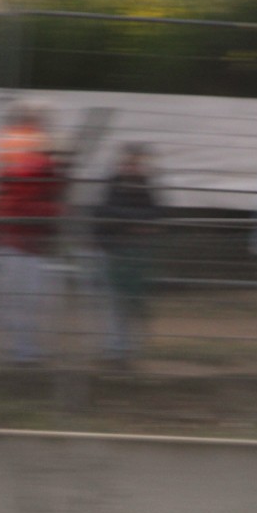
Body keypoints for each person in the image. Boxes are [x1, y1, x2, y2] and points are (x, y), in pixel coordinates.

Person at [0, 100, 64, 366]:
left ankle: (24, 350)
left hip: (26, 241)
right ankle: (18, 352)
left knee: (29, 299)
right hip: (15, 239)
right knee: (17, 299)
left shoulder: (38, 161)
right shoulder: (25, 160)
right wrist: (54, 207)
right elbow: (20, 200)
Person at [92, 142, 168, 368]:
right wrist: (136, 222)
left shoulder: (145, 186)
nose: (133, 166)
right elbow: (106, 212)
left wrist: (130, 223)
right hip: (113, 250)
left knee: (131, 301)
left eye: (137, 162)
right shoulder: (113, 184)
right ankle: (116, 349)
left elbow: (158, 213)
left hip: (135, 251)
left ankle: (125, 348)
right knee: (114, 302)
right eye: (129, 162)